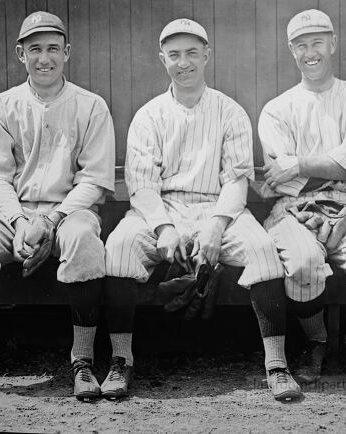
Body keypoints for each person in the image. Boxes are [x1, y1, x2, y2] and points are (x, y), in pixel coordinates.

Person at [104, 18, 301, 401]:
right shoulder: (149, 115)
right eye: (174, 55)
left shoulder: (230, 111)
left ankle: (276, 364)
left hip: (220, 209)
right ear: (162, 59)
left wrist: (215, 227)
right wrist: (163, 228)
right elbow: (142, 186)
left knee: (262, 250)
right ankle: (119, 360)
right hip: (162, 209)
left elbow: (237, 180)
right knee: (119, 248)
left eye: (192, 53)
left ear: (207, 55)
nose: (184, 63)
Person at [0, 11, 121, 401]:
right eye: (35, 49)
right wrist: (21, 220)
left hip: (70, 209)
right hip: (13, 213)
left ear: (67, 52)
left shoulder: (91, 106)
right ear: (20, 54)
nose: (45, 58)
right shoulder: (1, 105)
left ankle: (83, 361)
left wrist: (50, 219)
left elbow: (93, 179)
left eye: (53, 49)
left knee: (85, 243)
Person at [258, 9, 346, 384]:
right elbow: (282, 178)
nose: (311, 52)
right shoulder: (275, 109)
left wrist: (300, 164)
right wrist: (322, 166)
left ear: (333, 43)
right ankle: (316, 343)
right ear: (292, 51)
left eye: (318, 42)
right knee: (303, 265)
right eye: (302, 44)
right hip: (292, 209)